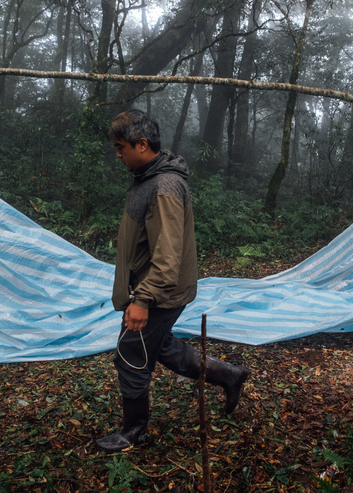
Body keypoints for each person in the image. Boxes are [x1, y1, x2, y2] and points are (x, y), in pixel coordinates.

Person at [96, 110, 250, 452]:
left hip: (158, 291)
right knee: (161, 344)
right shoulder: (148, 178)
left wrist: (142, 300)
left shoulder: (165, 186)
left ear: (142, 144)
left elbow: (168, 255)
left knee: (132, 353)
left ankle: (133, 431)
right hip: (153, 288)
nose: (117, 154)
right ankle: (229, 375)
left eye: (121, 147)